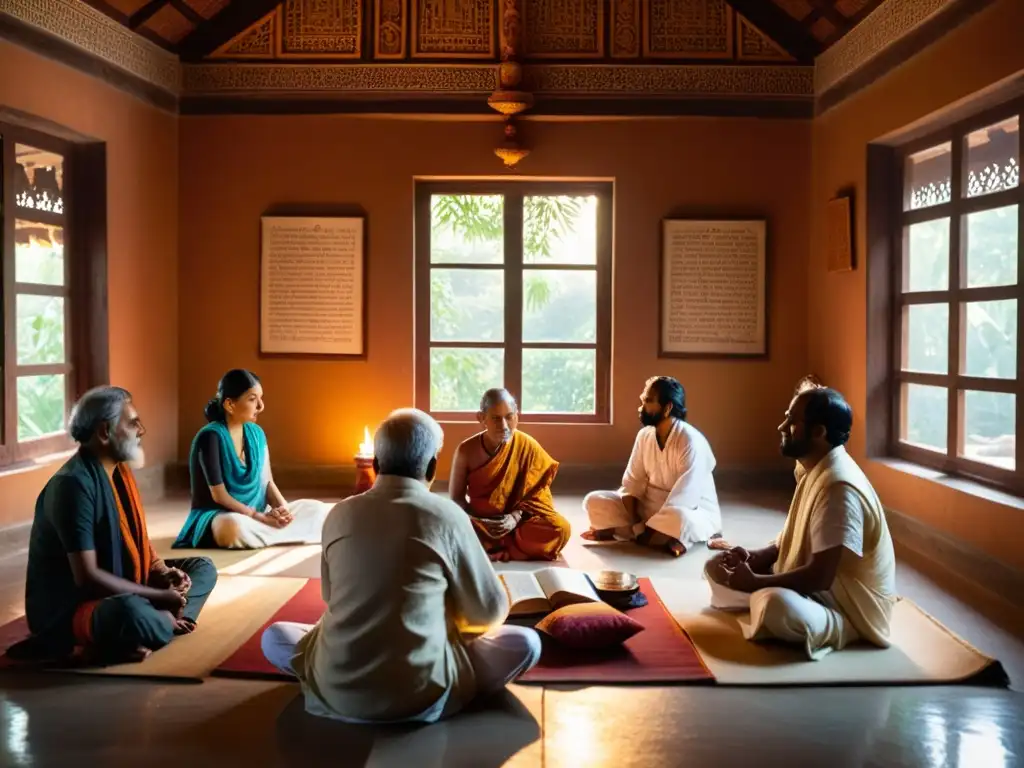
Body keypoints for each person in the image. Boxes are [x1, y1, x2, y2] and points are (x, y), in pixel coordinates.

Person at [260, 408, 540, 724]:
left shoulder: (339, 513)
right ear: (433, 466)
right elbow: (487, 613)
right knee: (526, 643)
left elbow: (330, 597)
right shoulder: (446, 514)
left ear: (376, 464)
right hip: (420, 695)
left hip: (337, 690)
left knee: (275, 637)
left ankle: (342, 684)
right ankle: (449, 687)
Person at [15, 387, 217, 664]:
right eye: (133, 423)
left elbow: (137, 544)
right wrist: (159, 594)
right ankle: (156, 621)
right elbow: (87, 578)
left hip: (122, 586)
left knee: (202, 568)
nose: (141, 430)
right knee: (127, 612)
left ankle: (162, 621)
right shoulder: (72, 485)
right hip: (73, 608)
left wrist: (163, 572)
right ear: (104, 432)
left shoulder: (119, 472)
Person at [704, 386, 897, 660]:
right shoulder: (812, 466)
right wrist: (758, 556)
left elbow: (820, 576)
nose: (782, 426)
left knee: (775, 606)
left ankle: (841, 629)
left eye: (793, 420)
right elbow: (792, 537)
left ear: (819, 432)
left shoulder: (839, 487)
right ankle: (759, 596)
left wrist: (756, 582)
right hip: (814, 591)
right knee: (716, 566)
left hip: (847, 609)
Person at [172, 369, 331, 549]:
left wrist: (283, 511)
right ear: (230, 405)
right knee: (231, 529)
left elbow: (267, 482)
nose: (261, 406)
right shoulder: (210, 437)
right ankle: (284, 532)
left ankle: (276, 531)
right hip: (223, 515)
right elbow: (220, 495)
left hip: (258, 516)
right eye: (252, 399)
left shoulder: (257, 434)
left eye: (260, 398)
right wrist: (259, 517)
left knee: (318, 510)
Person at [582, 376, 726, 557]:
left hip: (690, 511)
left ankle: (645, 534)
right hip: (649, 510)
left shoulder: (690, 440)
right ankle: (661, 538)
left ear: (667, 408)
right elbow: (631, 484)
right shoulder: (644, 436)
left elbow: (684, 499)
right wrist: (637, 524)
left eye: (648, 401)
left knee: (678, 519)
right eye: (642, 400)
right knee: (594, 501)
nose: (641, 407)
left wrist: (640, 531)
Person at [448, 388, 570, 562]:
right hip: (482, 525)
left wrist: (514, 517)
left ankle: (492, 549)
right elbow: (456, 501)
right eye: (496, 418)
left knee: (560, 528)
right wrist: (479, 522)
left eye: (509, 417)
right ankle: (501, 547)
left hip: (518, 524)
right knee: (447, 527)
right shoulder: (466, 451)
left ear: (517, 417)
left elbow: (537, 496)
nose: (504, 426)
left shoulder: (527, 445)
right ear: (481, 418)